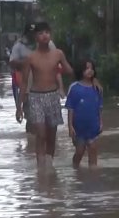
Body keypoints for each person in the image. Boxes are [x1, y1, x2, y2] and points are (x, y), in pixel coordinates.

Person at [16, 22, 74, 169]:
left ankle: (49, 164)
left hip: (53, 96)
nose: (44, 36)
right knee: (40, 133)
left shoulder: (58, 54)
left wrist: (64, 68)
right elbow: (23, 83)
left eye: (47, 32)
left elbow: (70, 71)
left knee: (52, 134)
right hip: (35, 97)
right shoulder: (31, 57)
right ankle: (40, 166)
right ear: (36, 37)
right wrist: (19, 107)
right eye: (41, 33)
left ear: (50, 35)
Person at [66, 59, 103, 168]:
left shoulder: (97, 88)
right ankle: (75, 168)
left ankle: (93, 175)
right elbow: (70, 108)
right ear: (81, 70)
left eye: (91, 68)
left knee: (93, 149)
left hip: (93, 125)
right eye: (87, 68)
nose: (90, 71)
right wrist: (70, 126)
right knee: (80, 151)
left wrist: (101, 122)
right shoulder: (74, 88)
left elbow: (100, 107)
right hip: (78, 127)